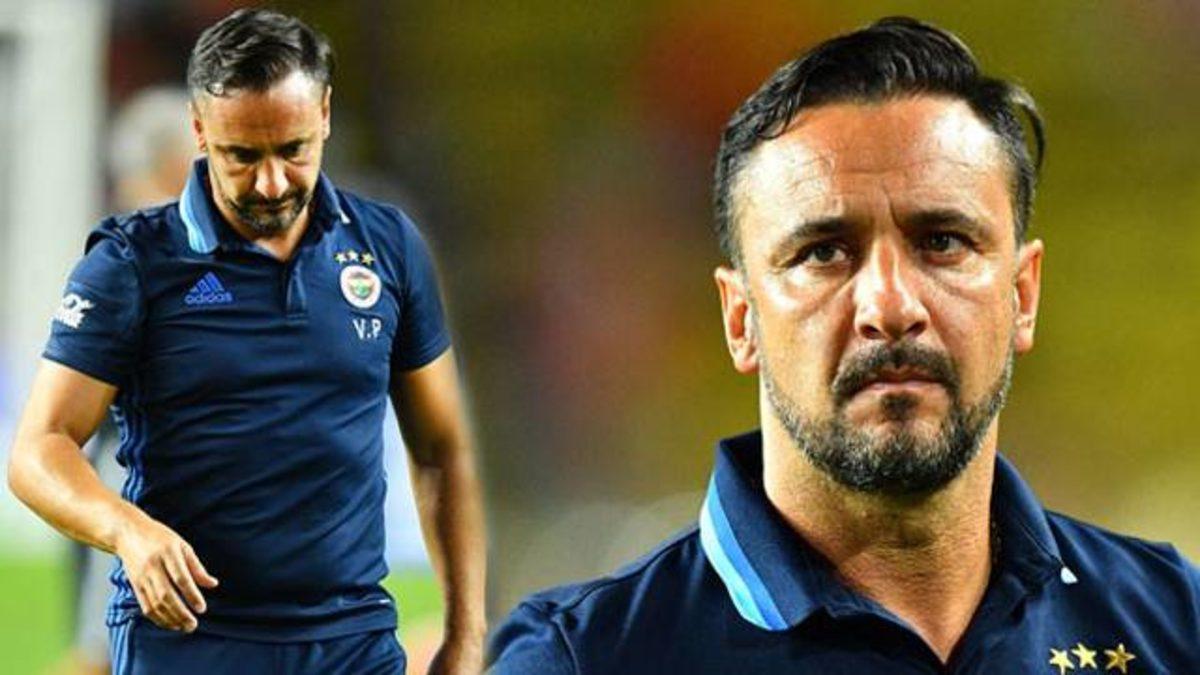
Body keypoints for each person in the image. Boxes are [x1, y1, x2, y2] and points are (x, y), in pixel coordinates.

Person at [489, 17, 1200, 674]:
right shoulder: (585, 657)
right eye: (825, 252)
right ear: (740, 319)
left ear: (1023, 293)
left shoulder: (1173, 622)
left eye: (942, 242)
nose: (890, 305)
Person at [7, 9, 486, 675]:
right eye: (243, 156)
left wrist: (465, 632)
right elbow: (38, 450)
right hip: (189, 644)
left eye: (293, 150)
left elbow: (440, 448)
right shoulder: (130, 264)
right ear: (201, 130)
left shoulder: (388, 248)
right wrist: (128, 531)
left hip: (350, 645)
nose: (271, 183)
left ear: (324, 114)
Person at [60, 86, 194, 675]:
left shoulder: (115, 245)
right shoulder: (145, 247)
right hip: (134, 478)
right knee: (106, 654)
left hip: (116, 471)